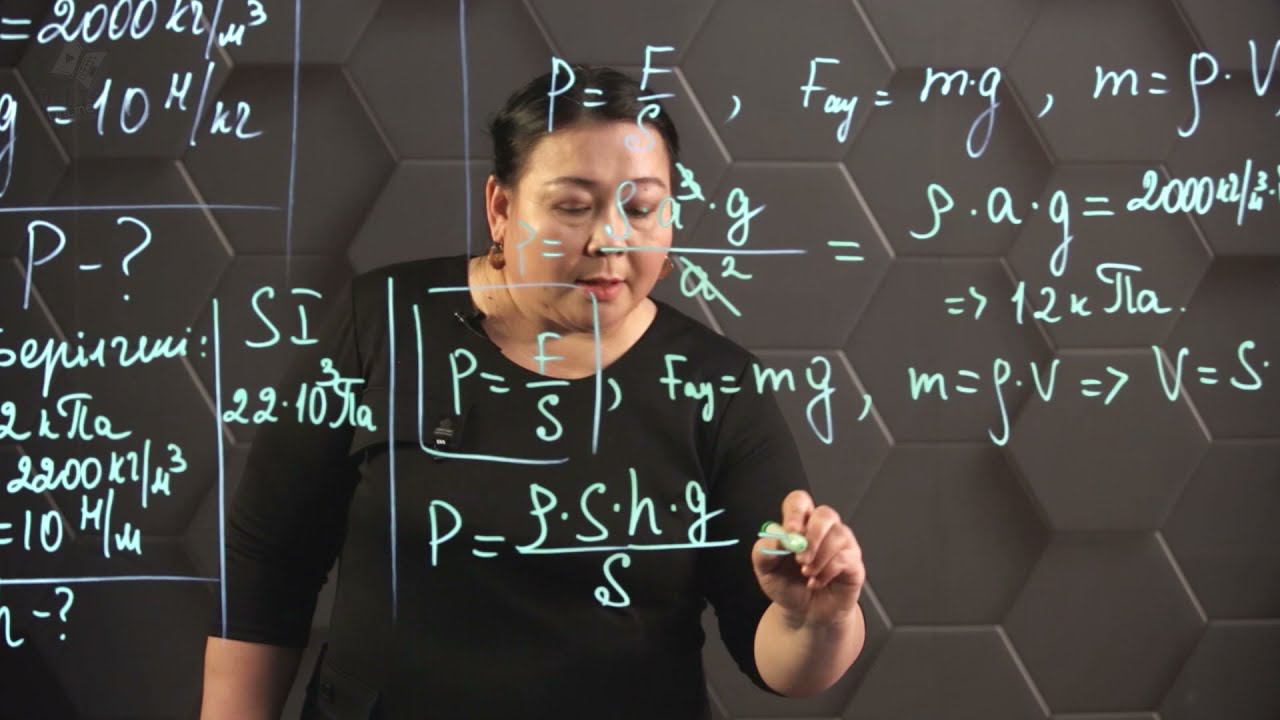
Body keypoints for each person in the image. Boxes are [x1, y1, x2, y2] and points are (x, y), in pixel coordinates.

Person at [200, 65, 866, 720]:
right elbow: (269, 565)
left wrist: (817, 620)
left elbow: (778, 657)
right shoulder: (383, 321)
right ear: (501, 207)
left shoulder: (718, 385)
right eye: (573, 207)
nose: (610, 238)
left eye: (641, 208)